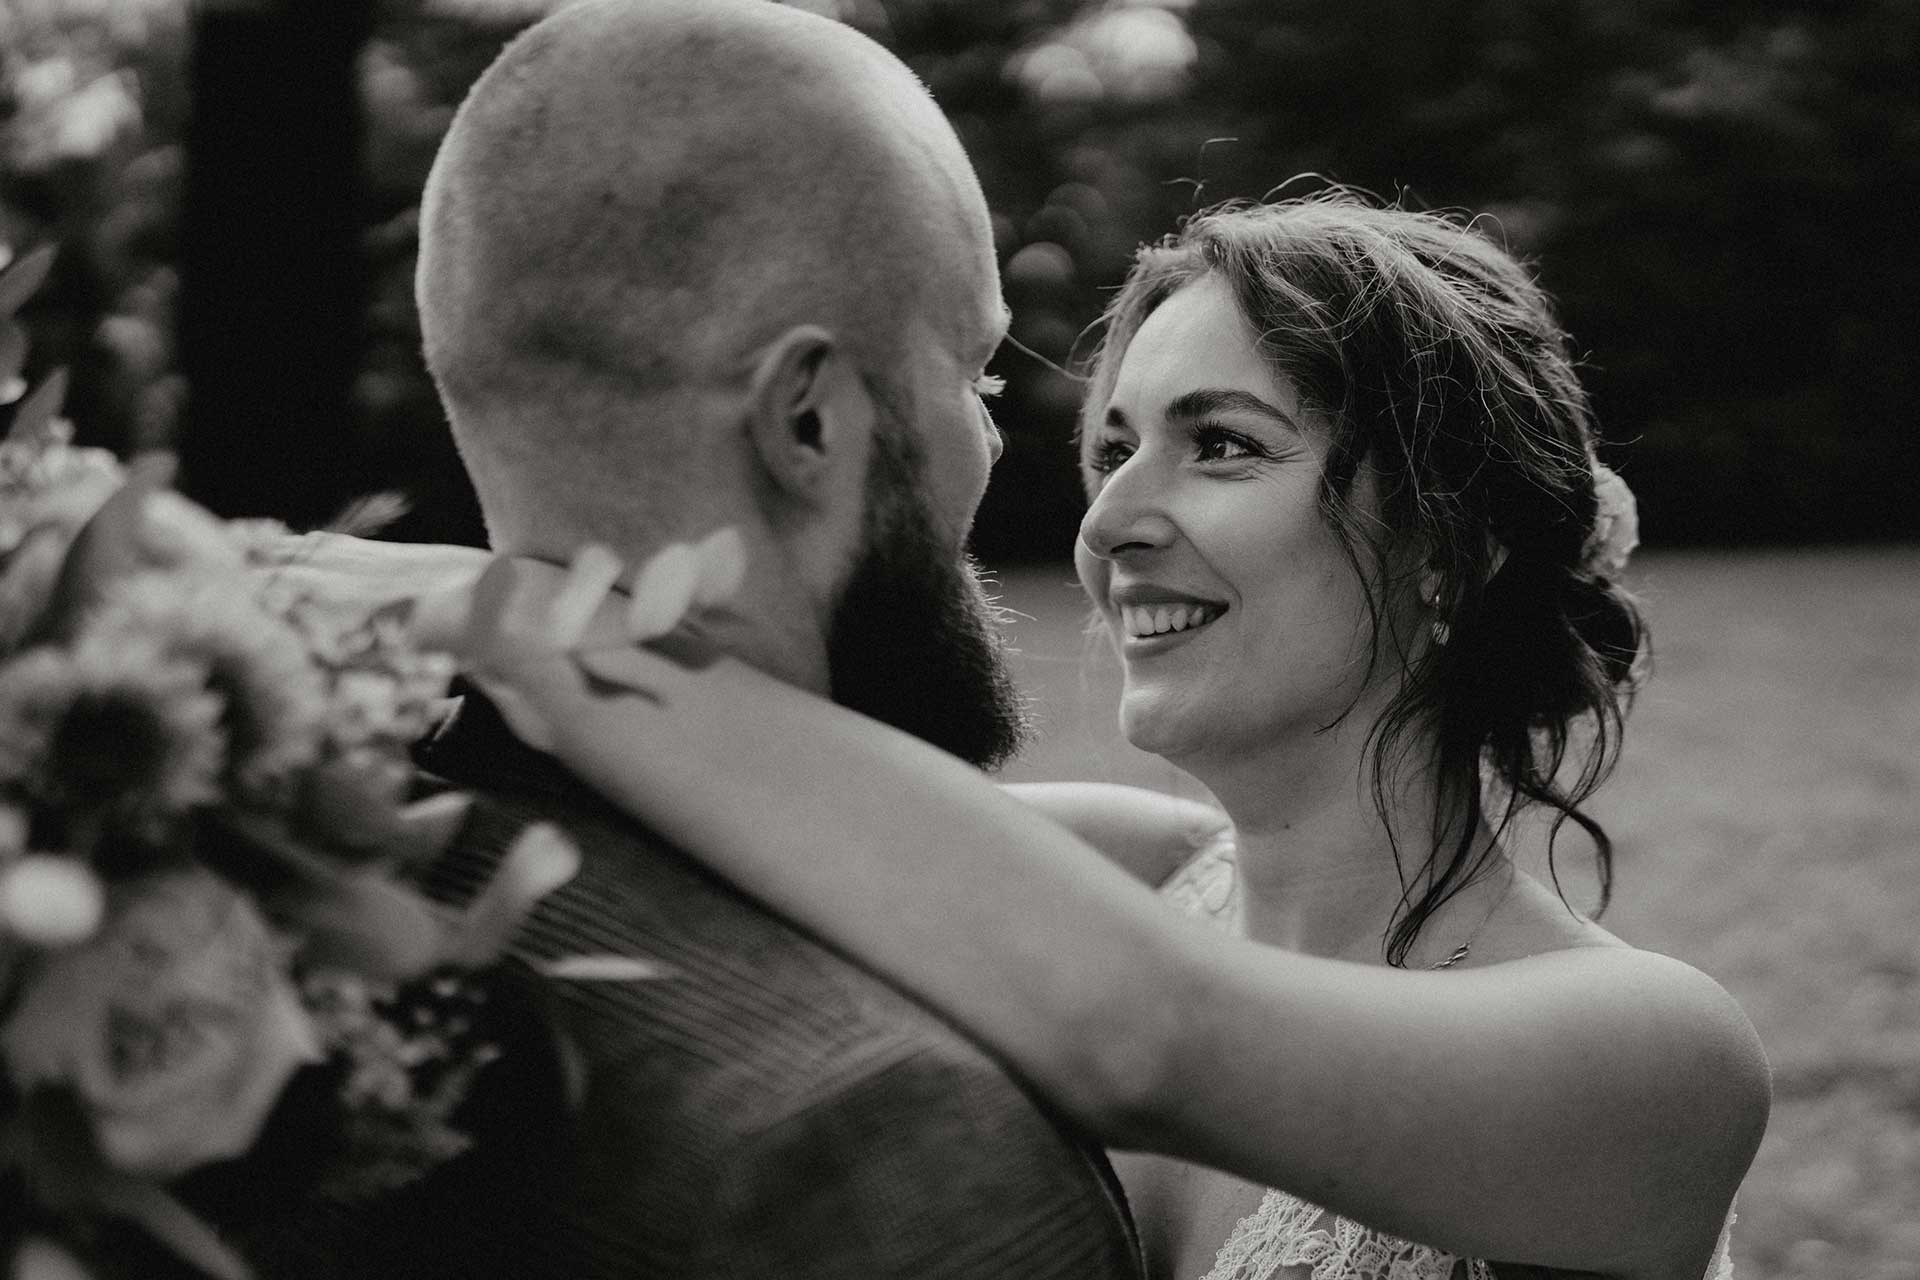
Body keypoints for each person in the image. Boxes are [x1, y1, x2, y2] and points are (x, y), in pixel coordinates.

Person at [436, 195, 1771, 1280]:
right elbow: (694, 842)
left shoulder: (1657, 1061)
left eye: (1227, 447)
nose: (1111, 521)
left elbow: (1137, 1038)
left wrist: (505, 619)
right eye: (1115, 447)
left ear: (1452, 550)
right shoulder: (1127, 871)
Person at [260, 0, 1149, 1275]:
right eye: (975, 372)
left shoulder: (227, 920)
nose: (996, 437)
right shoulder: (892, 1146)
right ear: (807, 422)